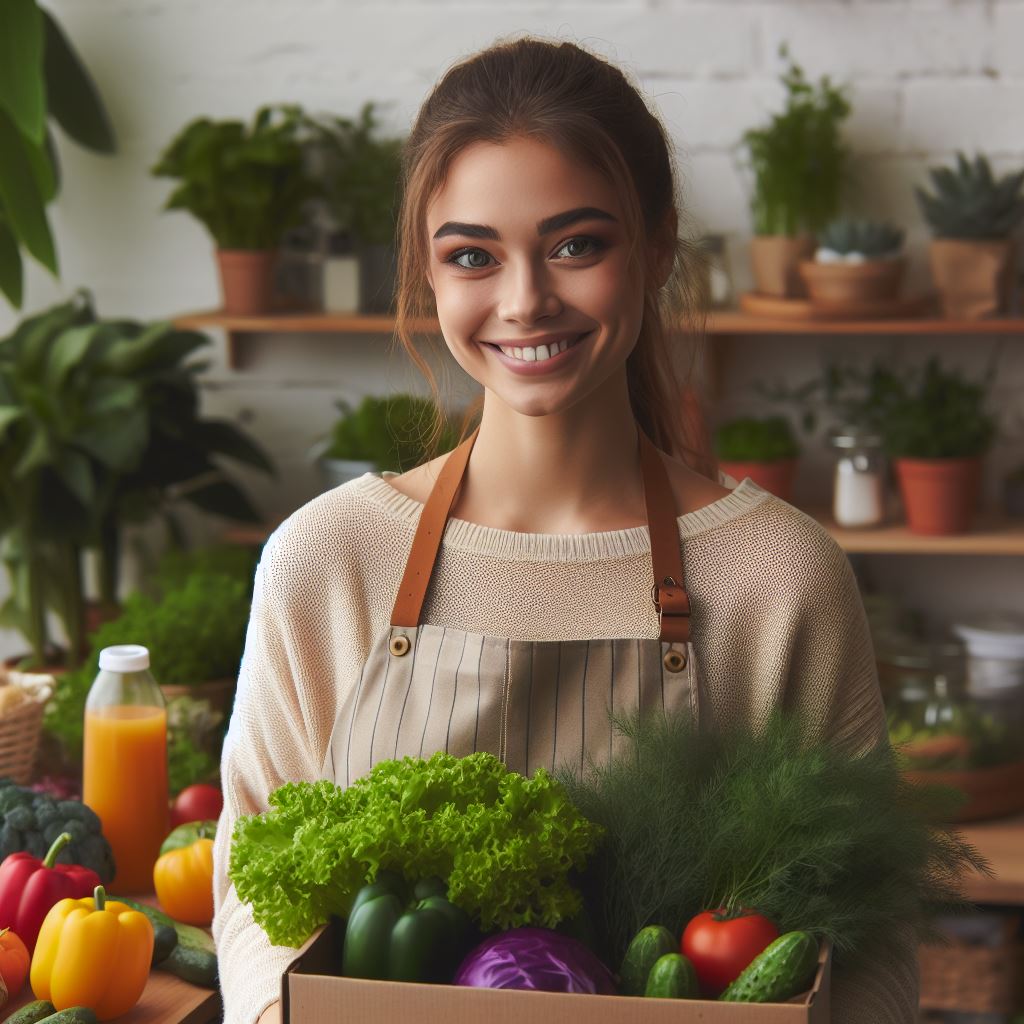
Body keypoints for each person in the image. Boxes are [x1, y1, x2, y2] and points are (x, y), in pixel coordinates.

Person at [212, 35, 919, 1024]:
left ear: (659, 247)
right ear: (425, 270)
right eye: (472, 255)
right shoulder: (329, 561)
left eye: (576, 244)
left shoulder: (780, 578)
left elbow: (869, 940)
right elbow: (254, 888)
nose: (524, 300)